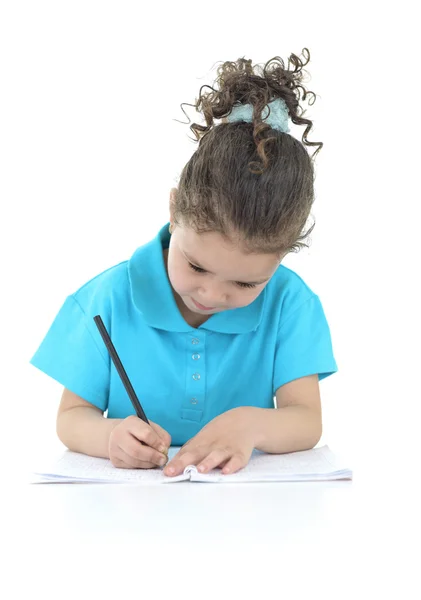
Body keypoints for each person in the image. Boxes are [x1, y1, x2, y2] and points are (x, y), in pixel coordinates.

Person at [30, 48, 337, 477]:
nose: (211, 294)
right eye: (196, 267)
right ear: (174, 212)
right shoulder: (106, 299)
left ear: (281, 257)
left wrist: (249, 424)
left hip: (252, 518)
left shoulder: (291, 304)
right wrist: (109, 438)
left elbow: (306, 421)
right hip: (122, 514)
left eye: (247, 285)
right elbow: (71, 417)